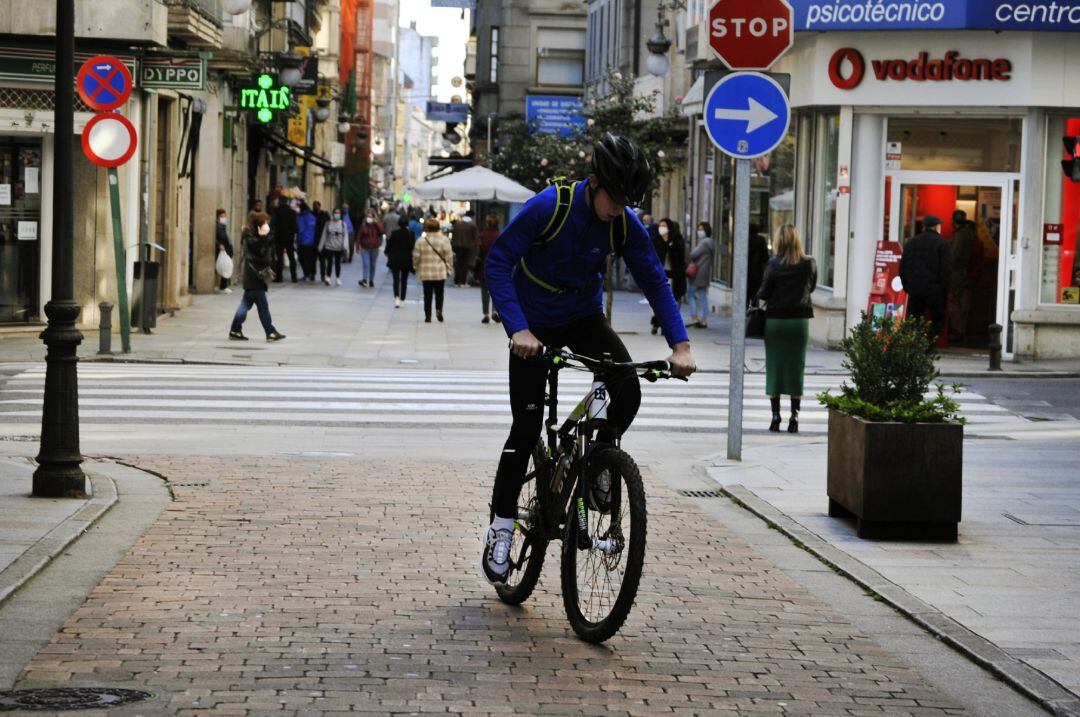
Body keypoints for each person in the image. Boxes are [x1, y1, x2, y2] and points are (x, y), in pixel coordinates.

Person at [482, 133, 697, 585]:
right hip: (532, 326)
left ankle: (598, 460)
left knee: (627, 388)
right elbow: (498, 261)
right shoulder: (550, 206)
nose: (620, 207)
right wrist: (517, 328)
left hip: (582, 317)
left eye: (628, 200)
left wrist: (680, 345)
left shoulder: (622, 223)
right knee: (525, 426)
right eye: (615, 197)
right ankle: (501, 527)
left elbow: (654, 280)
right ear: (594, 182)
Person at [754, 225, 816, 434]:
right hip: (799, 323)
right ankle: (794, 418)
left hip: (776, 322)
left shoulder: (774, 264)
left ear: (779, 241)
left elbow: (764, 292)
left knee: (775, 367)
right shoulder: (809, 263)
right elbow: (812, 287)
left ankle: (775, 417)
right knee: (796, 368)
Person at [229, 211, 285, 342]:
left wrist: (266, 236)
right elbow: (260, 251)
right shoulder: (250, 236)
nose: (267, 225)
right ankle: (270, 331)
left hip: (256, 274)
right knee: (262, 305)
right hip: (254, 275)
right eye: (264, 223)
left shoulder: (257, 235)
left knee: (245, 305)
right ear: (258, 224)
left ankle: (235, 329)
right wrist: (264, 237)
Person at [899, 214, 951, 347]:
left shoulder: (911, 242)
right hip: (934, 289)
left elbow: (903, 266)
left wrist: (907, 286)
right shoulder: (942, 243)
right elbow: (945, 270)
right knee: (938, 319)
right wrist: (945, 290)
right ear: (936, 226)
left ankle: (914, 345)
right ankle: (928, 345)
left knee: (914, 319)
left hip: (915, 289)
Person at [649, 218, 687, 335]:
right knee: (657, 303)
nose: (661, 228)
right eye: (660, 225)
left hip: (674, 277)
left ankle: (667, 327)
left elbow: (680, 259)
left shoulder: (677, 241)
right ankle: (656, 323)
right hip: (659, 276)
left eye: (664, 225)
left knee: (672, 304)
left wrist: (670, 246)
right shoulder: (656, 240)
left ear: (669, 227)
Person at [412, 217, 453, 322]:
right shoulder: (444, 240)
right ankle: (439, 311)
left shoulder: (421, 241)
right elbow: (449, 256)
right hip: (440, 271)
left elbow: (416, 256)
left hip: (426, 271)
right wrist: (449, 268)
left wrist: (416, 266)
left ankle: (428, 315)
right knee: (440, 292)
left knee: (427, 294)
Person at [949, 210, 977, 343]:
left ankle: (957, 330)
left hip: (956, 272)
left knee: (954, 301)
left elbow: (954, 256)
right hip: (963, 271)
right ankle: (959, 329)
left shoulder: (960, 235)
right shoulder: (969, 234)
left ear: (953, 221)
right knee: (960, 302)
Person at [687, 222, 715, 328]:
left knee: (690, 294)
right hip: (706, 272)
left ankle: (694, 317)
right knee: (703, 296)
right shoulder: (711, 243)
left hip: (698, 273)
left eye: (701, 229)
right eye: (698, 229)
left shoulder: (704, 243)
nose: (699, 231)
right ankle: (704, 319)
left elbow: (693, 255)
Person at [476, 214, 502, 324]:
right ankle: (495, 311)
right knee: (496, 291)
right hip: (498, 268)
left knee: (484, 291)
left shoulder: (481, 236)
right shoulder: (501, 236)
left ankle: (485, 314)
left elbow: (477, 252)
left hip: (484, 267)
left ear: (487, 223)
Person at [385, 216, 415, 307]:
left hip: (395, 259)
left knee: (396, 279)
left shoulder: (394, 233)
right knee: (404, 280)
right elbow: (412, 247)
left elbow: (389, 245)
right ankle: (403, 299)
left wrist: (386, 252)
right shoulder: (411, 234)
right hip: (406, 259)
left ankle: (396, 297)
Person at [317, 207, 349, 286]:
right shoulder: (328, 223)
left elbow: (346, 237)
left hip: (339, 247)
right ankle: (328, 277)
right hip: (329, 246)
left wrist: (346, 248)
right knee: (329, 262)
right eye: (336, 213)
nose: (337, 214)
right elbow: (324, 235)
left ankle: (338, 278)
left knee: (338, 263)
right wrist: (320, 246)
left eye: (339, 213)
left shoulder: (343, 224)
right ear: (333, 213)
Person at [270, 196, 298, 283]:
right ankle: (294, 277)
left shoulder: (277, 211)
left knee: (279, 258)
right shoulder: (292, 212)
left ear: (280, 202)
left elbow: (272, 223)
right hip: (289, 238)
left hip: (279, 237)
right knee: (291, 258)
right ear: (287, 202)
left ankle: (279, 277)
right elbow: (296, 227)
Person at [451, 210, 480, 287]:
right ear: (472, 216)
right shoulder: (472, 225)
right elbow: (476, 237)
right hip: (468, 247)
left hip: (456, 246)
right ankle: (463, 282)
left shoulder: (457, 223)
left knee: (458, 264)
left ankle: (456, 282)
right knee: (465, 264)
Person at [356, 212, 384, 287]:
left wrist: (376, 223)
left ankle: (371, 280)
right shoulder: (363, 227)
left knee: (373, 265)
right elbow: (359, 237)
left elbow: (382, 231)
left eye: (371, 217)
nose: (369, 218)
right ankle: (365, 279)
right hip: (365, 248)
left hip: (375, 249)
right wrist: (357, 247)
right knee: (366, 264)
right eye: (368, 217)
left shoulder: (376, 226)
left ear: (374, 218)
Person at [748, 223, 770, 307]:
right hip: (757, 273)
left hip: (746, 273)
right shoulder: (761, 240)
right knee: (755, 297)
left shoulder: (745, 239)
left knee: (745, 297)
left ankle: (744, 315)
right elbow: (765, 257)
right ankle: (753, 314)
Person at [296, 201, 318, 281]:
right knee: (311, 259)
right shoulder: (313, 217)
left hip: (303, 241)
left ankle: (306, 274)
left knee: (302, 258)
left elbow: (300, 230)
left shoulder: (301, 217)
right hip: (312, 241)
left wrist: (297, 241)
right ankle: (312, 274)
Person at [215, 208, 233, 294]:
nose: (223, 217)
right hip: (222, 248)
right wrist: (219, 245)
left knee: (226, 266)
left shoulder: (223, 226)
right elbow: (216, 237)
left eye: (224, 216)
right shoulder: (218, 226)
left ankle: (224, 285)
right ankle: (223, 285)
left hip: (226, 248)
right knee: (223, 267)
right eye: (221, 216)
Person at [312, 201, 330, 283]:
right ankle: (313, 274)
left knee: (322, 260)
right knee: (313, 259)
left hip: (322, 240)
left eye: (316, 206)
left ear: (319, 206)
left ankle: (323, 275)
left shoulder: (325, 215)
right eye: (314, 206)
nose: (315, 207)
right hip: (313, 240)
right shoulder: (312, 214)